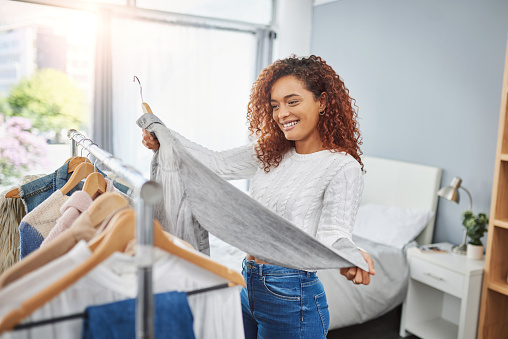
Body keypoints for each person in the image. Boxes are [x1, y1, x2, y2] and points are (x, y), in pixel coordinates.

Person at [142, 55, 375, 338]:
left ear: (323, 102)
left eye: (292, 102)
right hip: (248, 282)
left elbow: (334, 232)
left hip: (292, 296)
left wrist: (350, 254)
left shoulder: (341, 166)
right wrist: (164, 137)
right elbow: (216, 164)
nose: (281, 114)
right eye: (275, 106)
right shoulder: (272, 151)